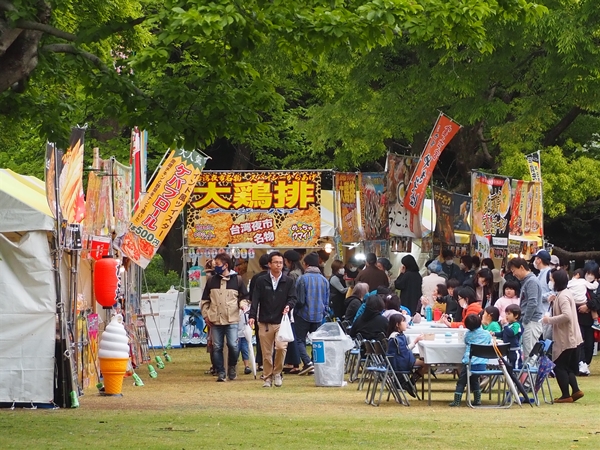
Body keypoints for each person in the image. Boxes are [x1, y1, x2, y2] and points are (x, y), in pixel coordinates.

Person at [248, 252, 297, 388]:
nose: (278, 265)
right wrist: (252, 316)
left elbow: (293, 298)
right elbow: (255, 300)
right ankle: (267, 377)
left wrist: (289, 306)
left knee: (281, 348)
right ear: (269, 264)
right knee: (266, 352)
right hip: (264, 321)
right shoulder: (261, 281)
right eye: (275, 262)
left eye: (281, 262)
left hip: (281, 321)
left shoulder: (288, 281)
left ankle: (277, 373)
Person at [201, 253, 249, 382]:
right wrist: (206, 316)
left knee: (233, 345)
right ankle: (221, 372)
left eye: (217, 264)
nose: (215, 267)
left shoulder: (237, 279)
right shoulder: (211, 280)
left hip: (232, 318)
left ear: (225, 265)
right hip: (215, 319)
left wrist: (243, 305)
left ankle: (232, 366)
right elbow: (205, 300)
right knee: (216, 347)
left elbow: (244, 297)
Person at [542, 269, 584, 403]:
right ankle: (576, 390)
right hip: (571, 336)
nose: (550, 282)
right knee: (567, 366)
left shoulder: (563, 296)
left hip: (565, 337)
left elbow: (567, 315)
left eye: (552, 279)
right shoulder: (564, 294)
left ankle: (566, 395)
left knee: (559, 365)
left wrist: (549, 320)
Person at [294, 252, 330, 375]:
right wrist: (324, 311)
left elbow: (298, 299)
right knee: (317, 341)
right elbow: (326, 300)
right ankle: (315, 364)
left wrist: (296, 310)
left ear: (306, 264)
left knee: (299, 340)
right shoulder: (324, 280)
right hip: (319, 315)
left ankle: (307, 363)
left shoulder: (302, 279)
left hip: (303, 314)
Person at [448, 313, 492, 407]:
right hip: (482, 363)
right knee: (475, 381)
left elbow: (465, 341)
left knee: (461, 382)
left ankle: (457, 401)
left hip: (469, 363)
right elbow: (489, 342)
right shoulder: (487, 334)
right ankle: (477, 399)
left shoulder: (468, 335)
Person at [508, 257, 544, 357]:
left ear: (522, 267)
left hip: (531, 322)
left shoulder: (531, 281)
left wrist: (525, 321)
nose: (514, 274)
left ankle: (531, 373)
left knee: (530, 355)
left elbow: (532, 303)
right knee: (527, 354)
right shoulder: (527, 281)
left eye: (514, 271)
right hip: (529, 322)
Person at [386, 314, 426, 396]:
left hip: (401, 360)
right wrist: (415, 341)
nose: (405, 323)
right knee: (427, 363)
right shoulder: (396, 337)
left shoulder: (398, 335)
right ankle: (410, 383)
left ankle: (410, 383)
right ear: (397, 324)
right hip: (401, 362)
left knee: (425, 361)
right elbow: (404, 351)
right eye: (403, 321)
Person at [575, 262, 600, 376]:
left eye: (592, 274)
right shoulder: (579, 284)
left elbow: (598, 300)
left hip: (591, 320)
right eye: (588, 273)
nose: (590, 276)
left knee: (590, 344)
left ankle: (586, 363)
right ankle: (581, 363)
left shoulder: (597, 286)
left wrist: (588, 306)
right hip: (578, 317)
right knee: (579, 341)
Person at [248, 254, 270, 370]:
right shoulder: (273, 277)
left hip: (259, 311)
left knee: (260, 336)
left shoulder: (256, 278)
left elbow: (251, 296)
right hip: (273, 311)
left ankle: (261, 361)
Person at [492, 304, 523, 370]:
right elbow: (503, 333)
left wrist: (505, 325)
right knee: (509, 367)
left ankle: (515, 379)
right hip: (508, 350)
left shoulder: (517, 325)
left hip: (514, 350)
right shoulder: (509, 325)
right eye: (506, 314)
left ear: (516, 315)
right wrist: (494, 333)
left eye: (509, 314)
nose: (506, 316)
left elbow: (511, 333)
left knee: (515, 368)